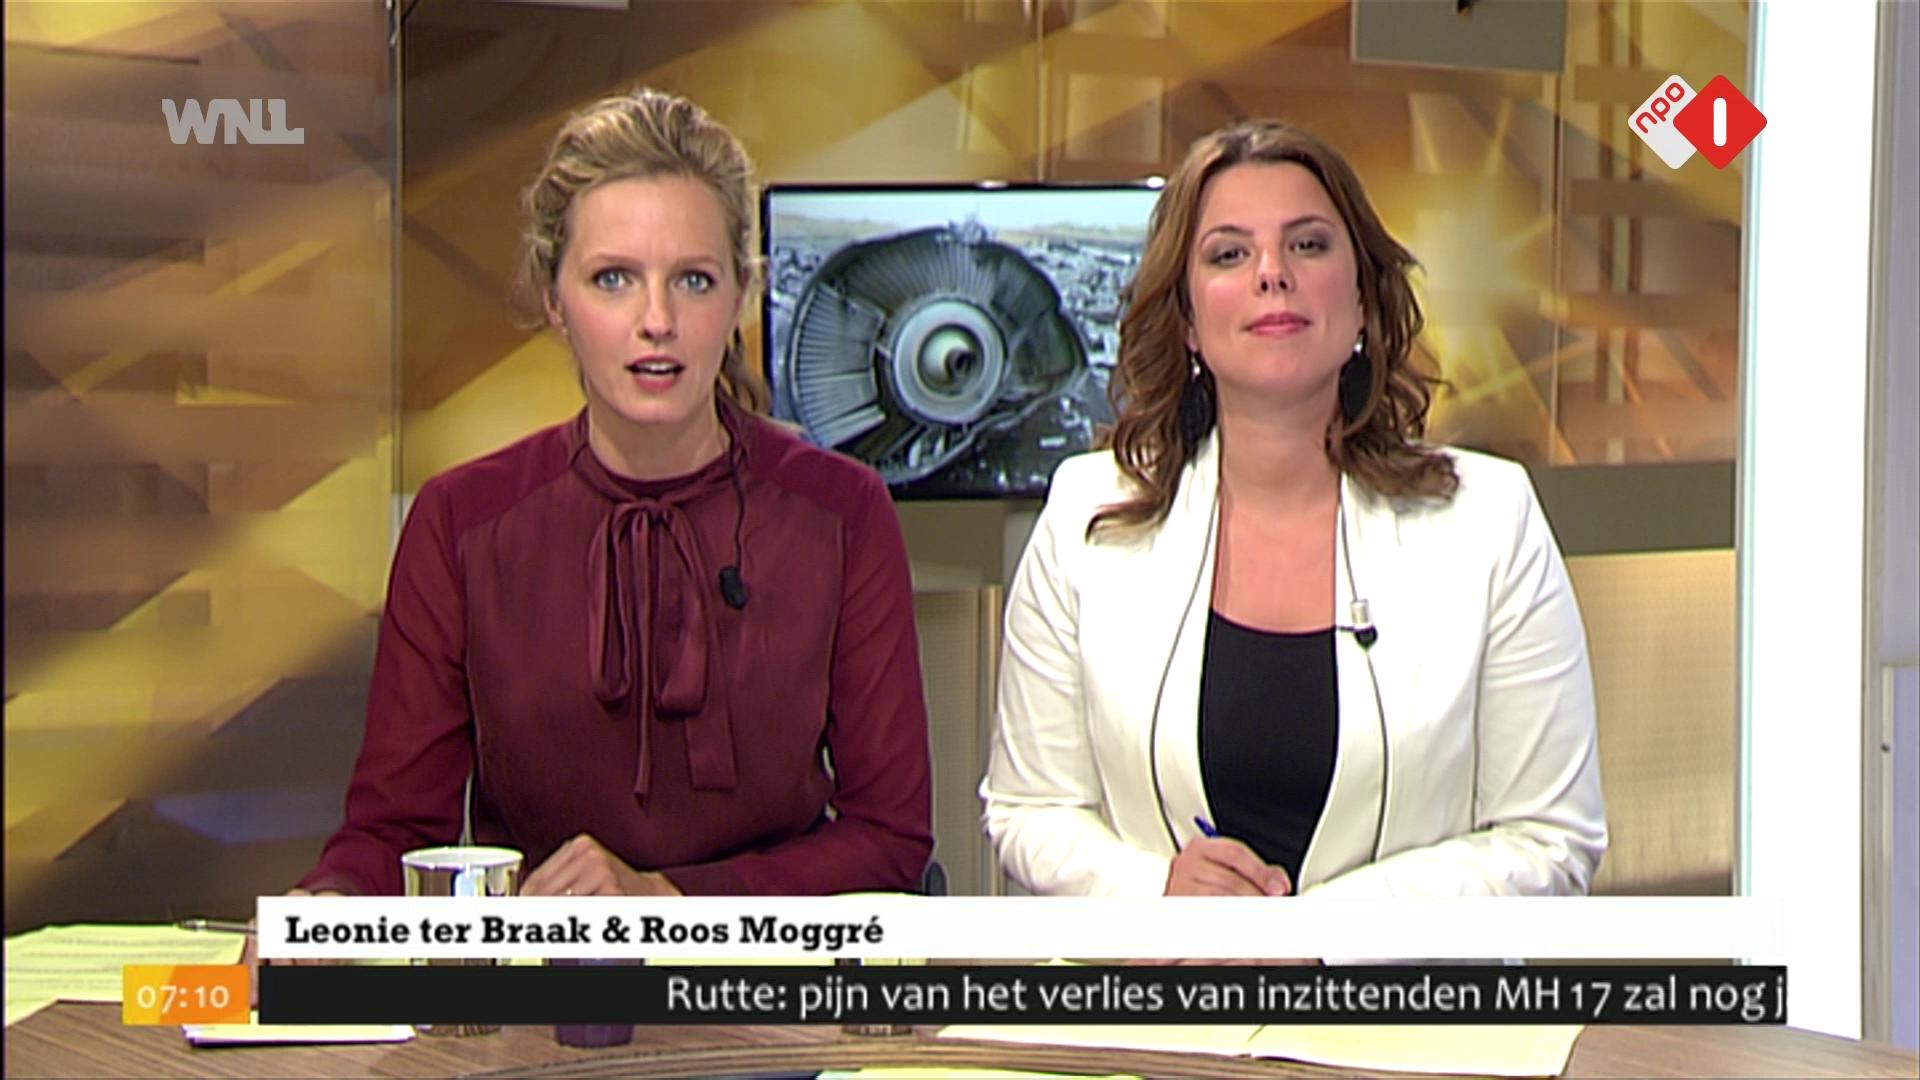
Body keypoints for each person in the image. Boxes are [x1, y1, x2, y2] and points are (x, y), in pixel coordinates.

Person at [292, 87, 934, 904]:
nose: (656, 319)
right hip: (540, 968)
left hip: (766, 969)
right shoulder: (462, 523)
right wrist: (328, 906)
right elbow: (394, 833)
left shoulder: (843, 512)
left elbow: (890, 838)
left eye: (693, 280)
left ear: (741, 296)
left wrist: (669, 901)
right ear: (555, 301)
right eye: (614, 279)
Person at [981, 119, 1605, 904]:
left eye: (1308, 245)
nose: (1272, 274)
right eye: (1229, 254)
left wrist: (1329, 932)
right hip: (1163, 980)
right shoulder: (1086, 515)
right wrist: (1157, 895)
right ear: (1186, 319)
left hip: (1398, 981)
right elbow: (1030, 809)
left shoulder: (1489, 520)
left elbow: (1552, 838)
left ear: (1363, 301)